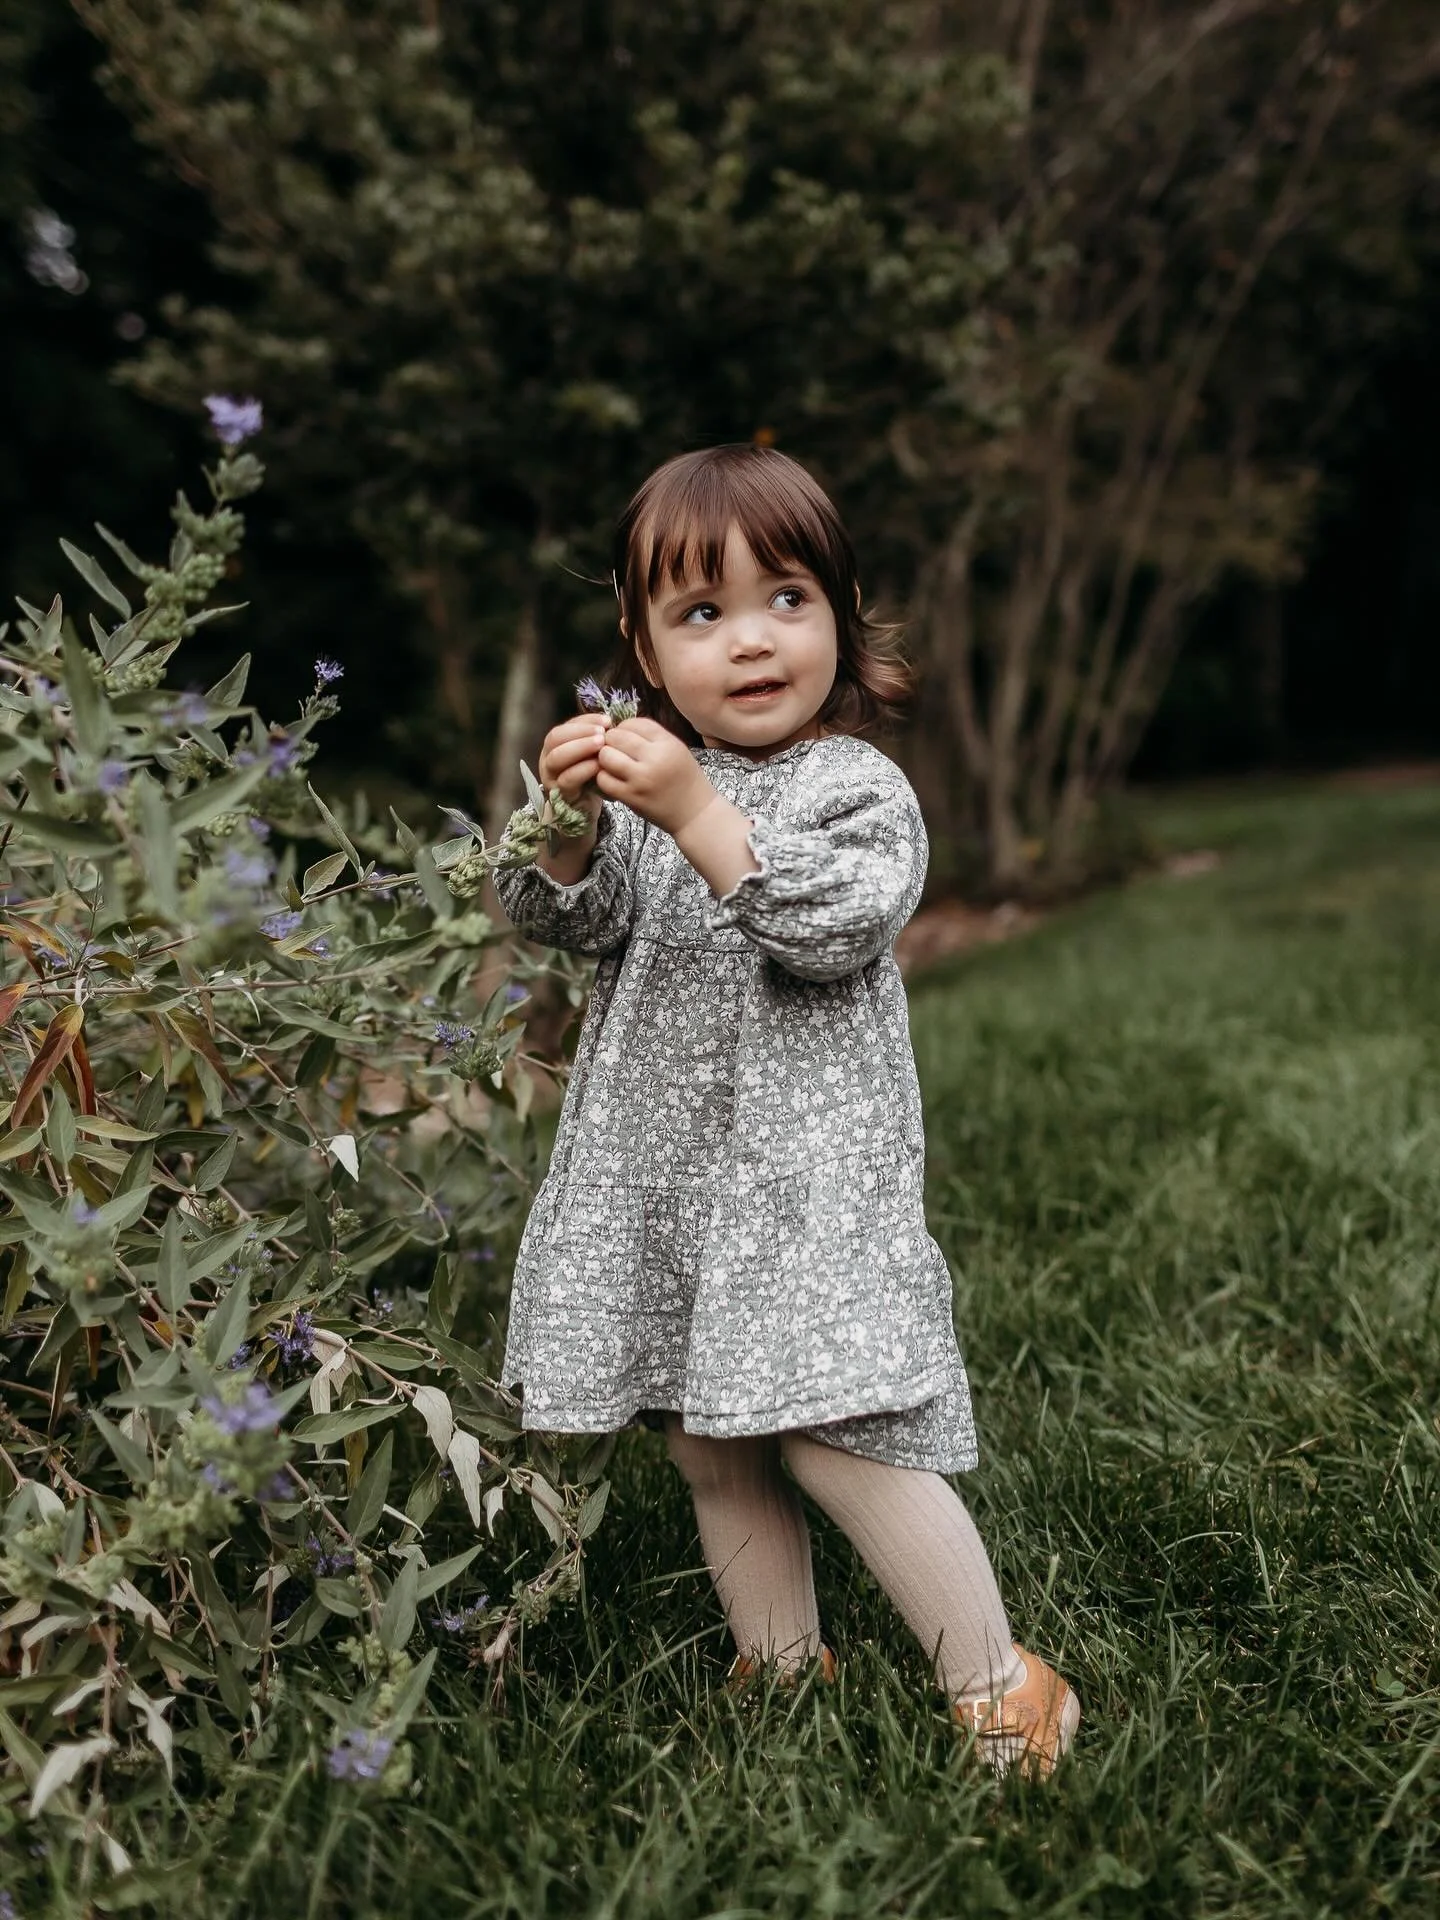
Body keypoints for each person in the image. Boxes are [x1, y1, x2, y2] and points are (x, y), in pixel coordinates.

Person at [493, 444, 1080, 1776]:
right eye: (701, 612)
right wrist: (566, 824)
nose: (750, 639)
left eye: (788, 599)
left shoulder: (853, 789)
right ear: (643, 645)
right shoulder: (651, 802)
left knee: (832, 1435)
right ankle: (780, 1668)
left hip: (806, 1186)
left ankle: (1003, 1685)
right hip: (674, 1179)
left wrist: (696, 809)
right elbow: (566, 919)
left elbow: (828, 925)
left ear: (843, 615)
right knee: (712, 1441)